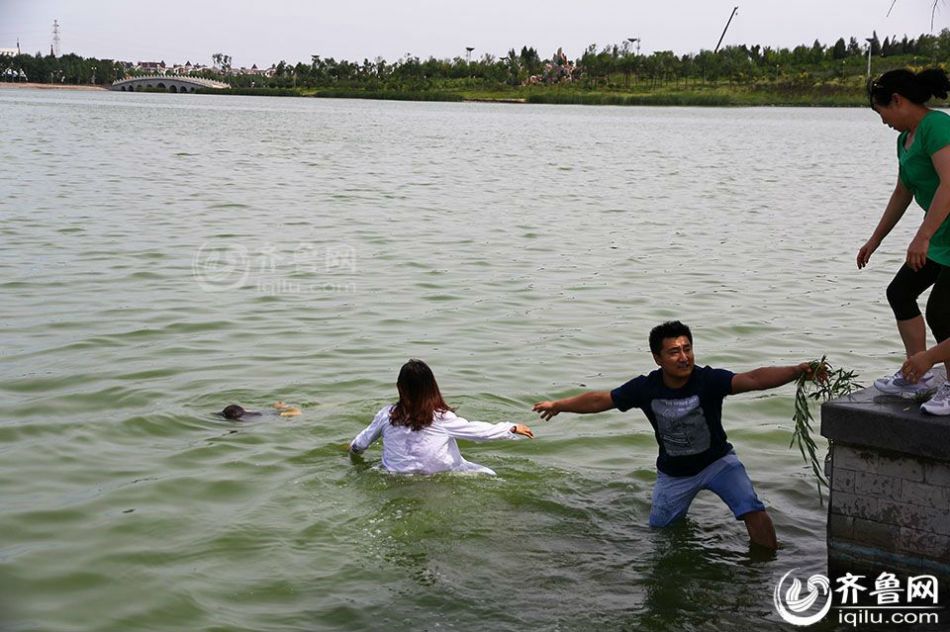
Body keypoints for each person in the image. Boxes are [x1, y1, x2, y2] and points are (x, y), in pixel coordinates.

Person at [532, 321, 821, 551]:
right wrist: (559, 405)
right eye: (674, 352)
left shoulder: (708, 380)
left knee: (753, 510)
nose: (684, 357)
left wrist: (796, 371)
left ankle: (767, 564)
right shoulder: (646, 388)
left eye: (687, 349)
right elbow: (600, 400)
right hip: (674, 475)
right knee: (661, 534)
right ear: (658, 358)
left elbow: (754, 379)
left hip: (718, 463)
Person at [858, 68, 950, 414]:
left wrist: (922, 235)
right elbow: (903, 192)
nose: (883, 122)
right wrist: (875, 240)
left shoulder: (937, 126)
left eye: (882, 112)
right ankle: (917, 373)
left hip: (938, 235)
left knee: (943, 313)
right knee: (900, 292)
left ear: (897, 100)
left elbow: (949, 183)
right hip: (942, 235)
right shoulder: (905, 139)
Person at [349, 359, 533, 475]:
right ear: (432, 389)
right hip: (440, 476)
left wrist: (351, 450)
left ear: (399, 388)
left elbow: (359, 445)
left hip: (395, 477)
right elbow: (479, 432)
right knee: (490, 474)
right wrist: (511, 427)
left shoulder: (386, 416)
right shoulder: (441, 418)